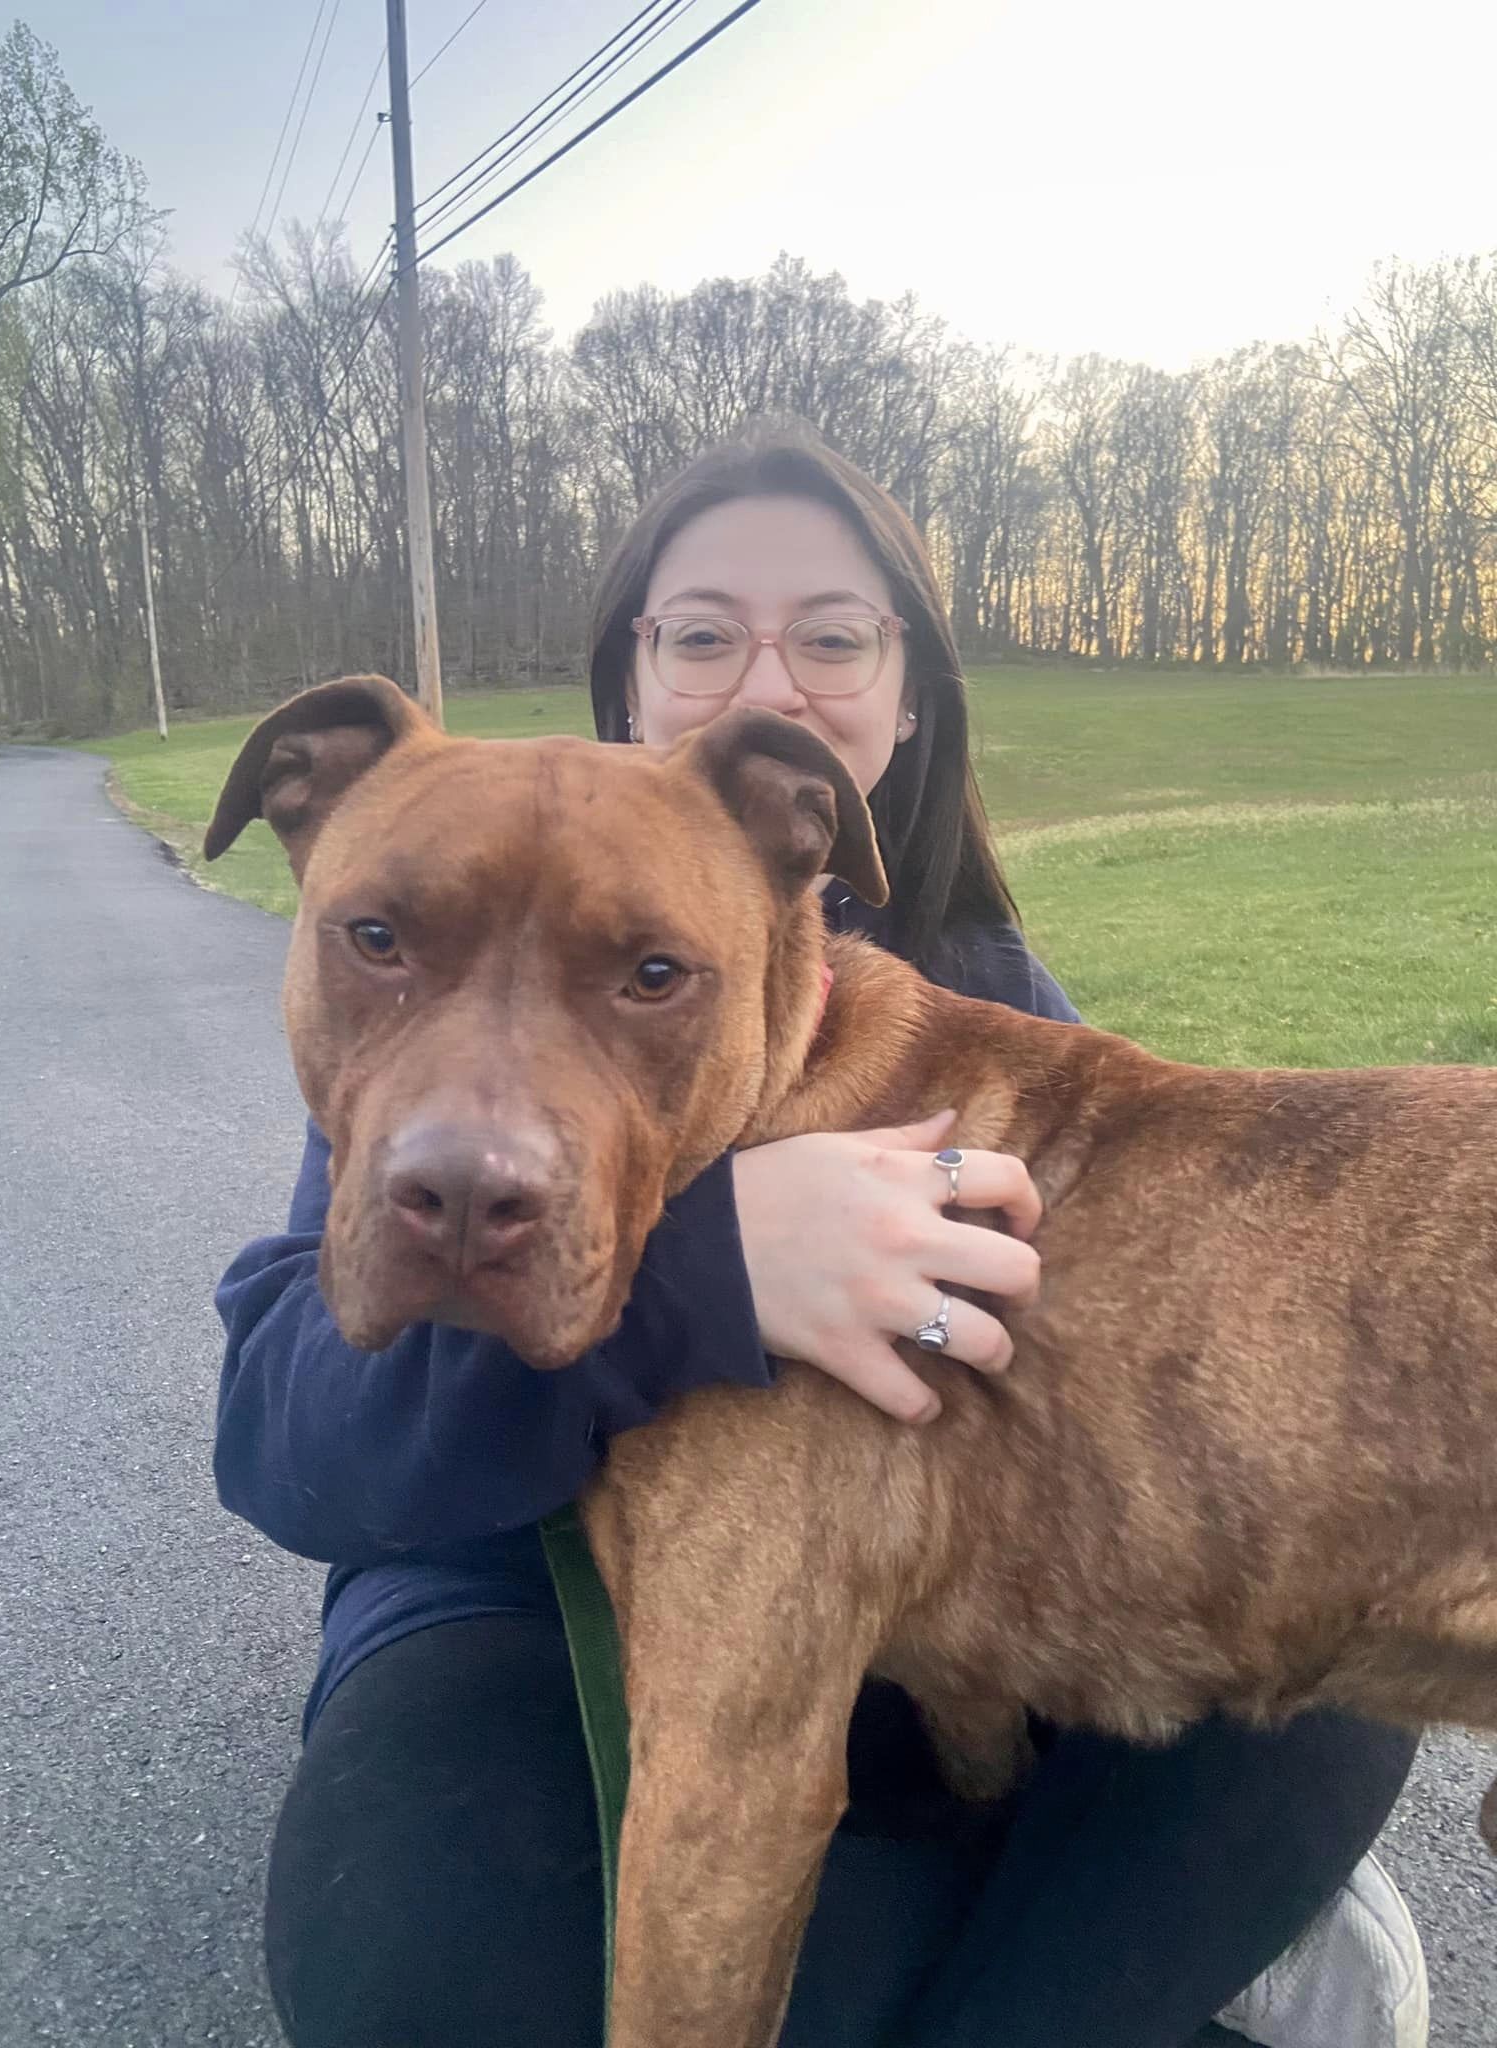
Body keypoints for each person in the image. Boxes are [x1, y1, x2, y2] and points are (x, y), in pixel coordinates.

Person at [215, 427, 1427, 2048]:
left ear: (904, 697)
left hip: (918, 1647)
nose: (761, 677)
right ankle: (1135, 1941)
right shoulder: (452, 929)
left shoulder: (987, 1002)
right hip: (507, 1603)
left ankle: (1118, 1928)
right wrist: (707, 1270)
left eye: (833, 637)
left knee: (1335, 1678)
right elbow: (289, 1452)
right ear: (631, 672)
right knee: (438, 1988)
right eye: (703, 632)